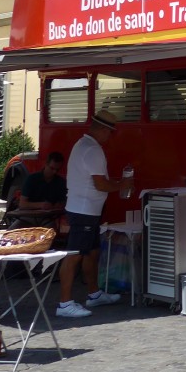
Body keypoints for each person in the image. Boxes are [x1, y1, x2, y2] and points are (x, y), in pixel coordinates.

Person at [57, 111, 133, 319]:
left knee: (91, 252)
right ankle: (64, 303)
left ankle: (94, 293)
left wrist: (117, 184)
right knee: (74, 255)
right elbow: (100, 184)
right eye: (110, 132)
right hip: (83, 210)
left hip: (86, 209)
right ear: (102, 130)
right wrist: (122, 185)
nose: (110, 136)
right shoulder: (93, 150)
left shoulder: (83, 145)